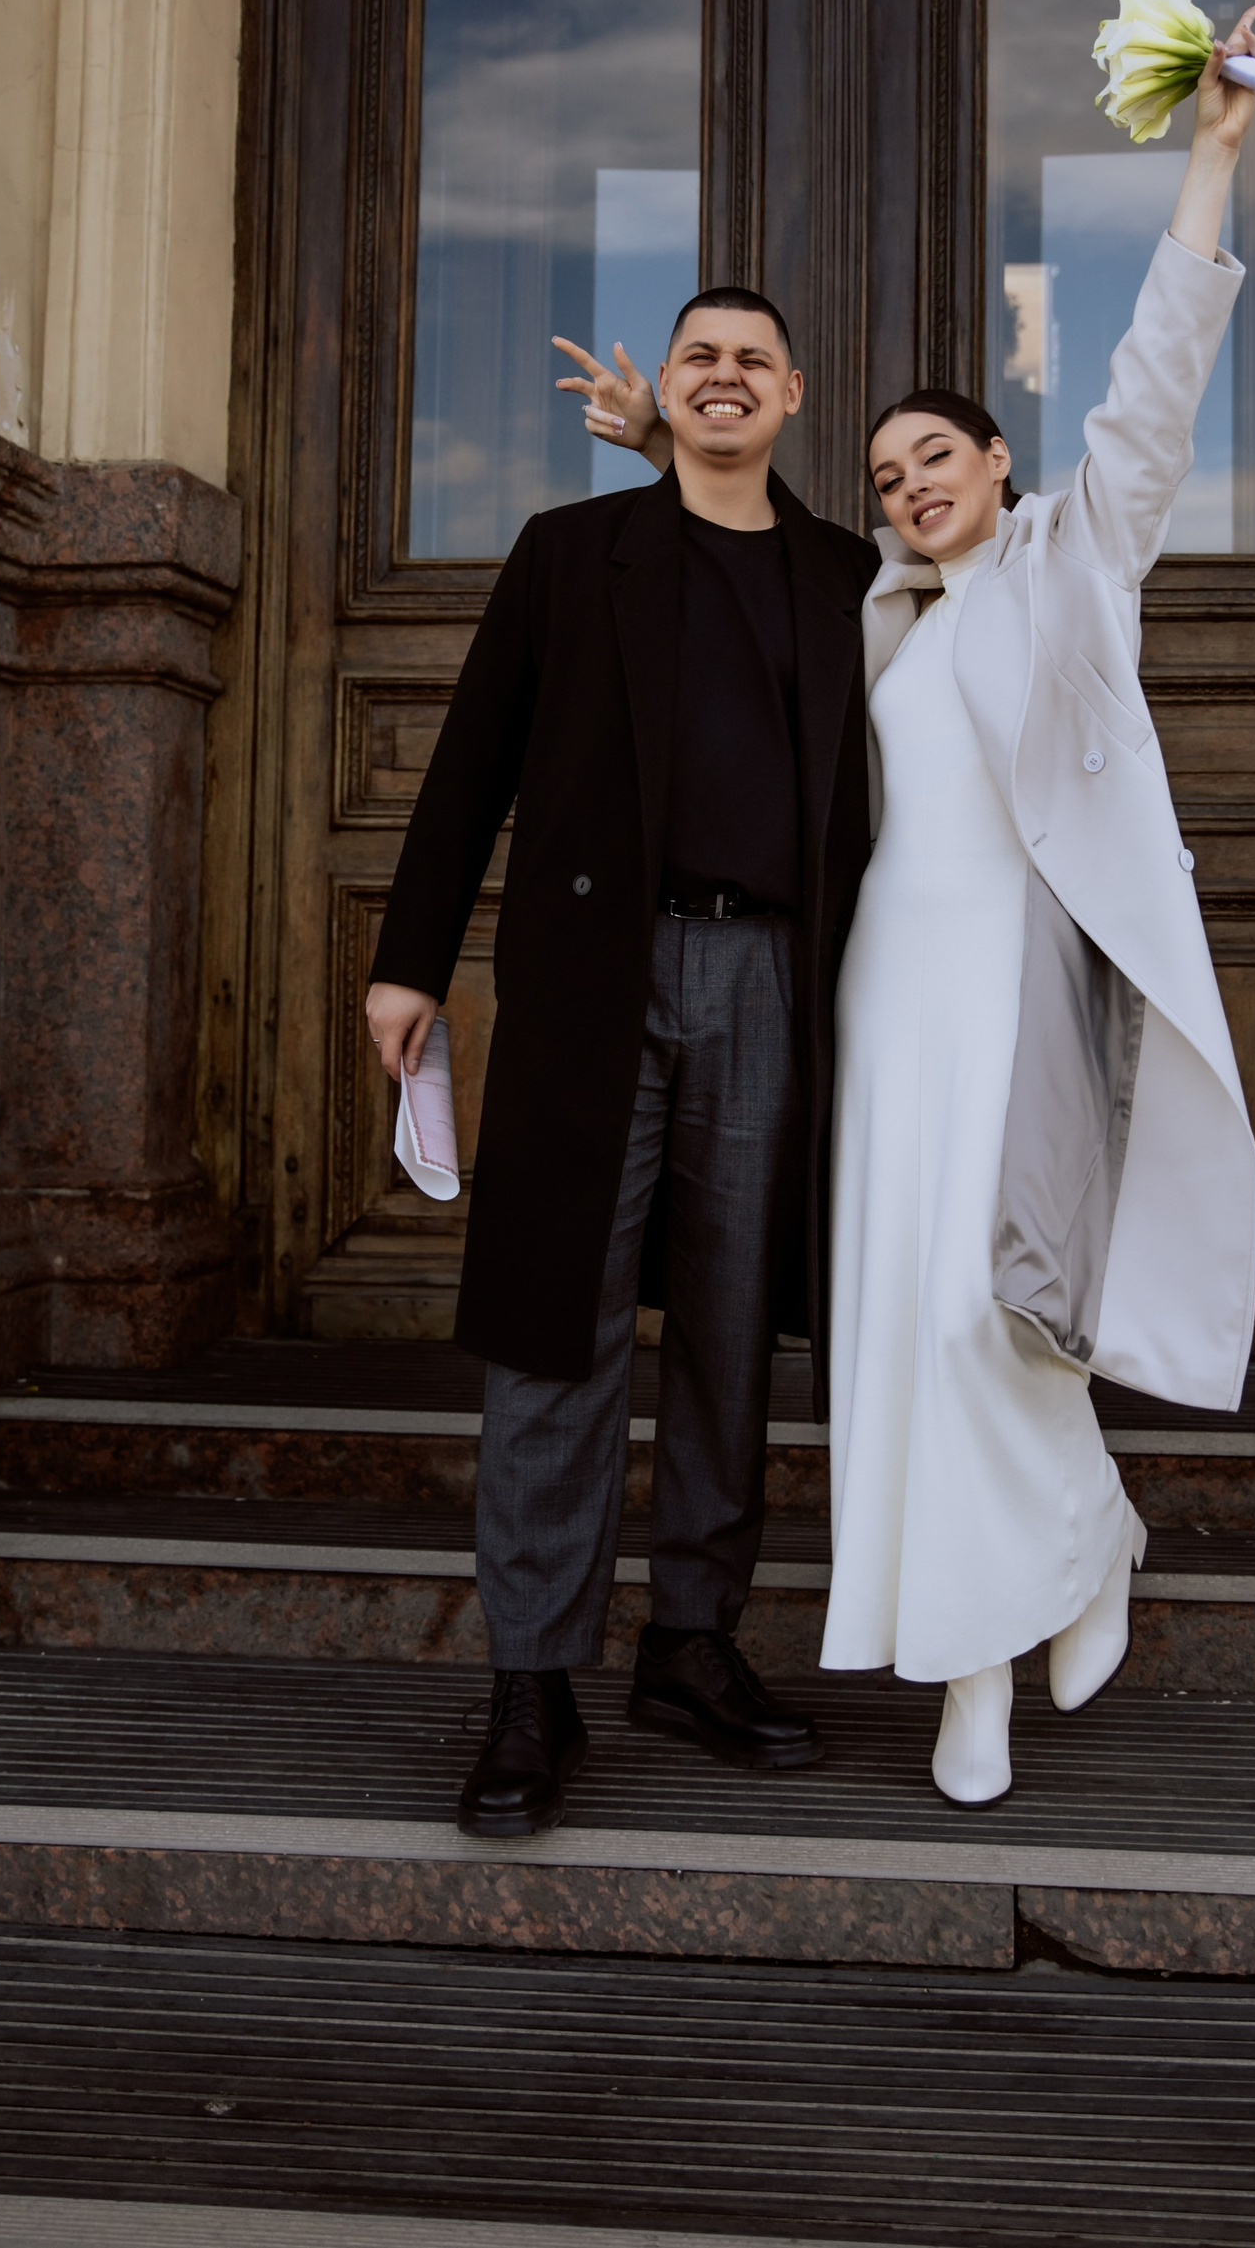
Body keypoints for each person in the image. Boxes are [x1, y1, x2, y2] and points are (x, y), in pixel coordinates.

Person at [580, 0, 1255, 1806]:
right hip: (879, 996)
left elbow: (1152, 392)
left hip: (1014, 994)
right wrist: (665, 443)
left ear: (999, 466)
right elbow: (740, 552)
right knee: (898, 1322)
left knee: (994, 1306)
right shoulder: (871, 610)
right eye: (891, 478)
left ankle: (1038, 1594)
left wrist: (1213, 158)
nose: (910, 491)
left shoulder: (1075, 565)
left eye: (937, 462)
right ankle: (1002, 1626)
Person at [365, 287, 875, 1839]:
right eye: (697, 357)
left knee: (731, 1325)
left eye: (751, 361)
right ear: (669, 384)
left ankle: (692, 1641)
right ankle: (533, 1677)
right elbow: (472, 759)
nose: (725, 377)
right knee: (555, 1328)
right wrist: (408, 957)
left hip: (774, 977)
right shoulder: (569, 553)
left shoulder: (848, 577)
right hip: (595, 974)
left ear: (794, 393)